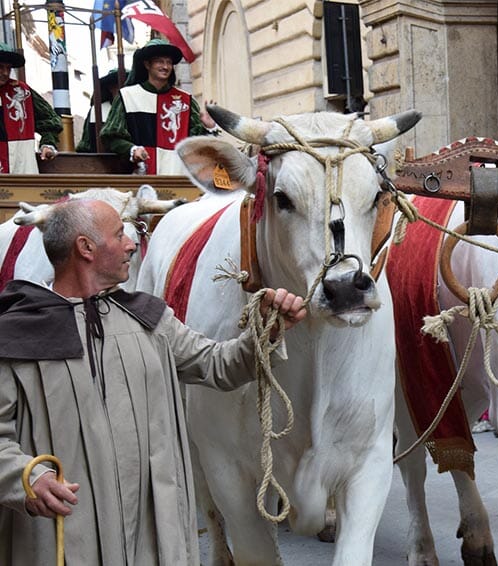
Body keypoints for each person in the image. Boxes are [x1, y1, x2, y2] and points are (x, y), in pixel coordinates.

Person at [0, 199, 307, 565]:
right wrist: (26, 478)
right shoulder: (15, 336)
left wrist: (266, 332)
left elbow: (218, 365)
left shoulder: (149, 319)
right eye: (119, 235)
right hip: (64, 534)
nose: (132, 243)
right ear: (85, 248)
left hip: (149, 531)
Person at [101, 39, 218, 174]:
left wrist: (209, 127)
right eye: (159, 61)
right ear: (147, 64)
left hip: (179, 179)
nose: (165, 66)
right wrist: (132, 149)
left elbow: (197, 144)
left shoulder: (185, 100)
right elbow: (110, 136)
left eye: (168, 62)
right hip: (141, 178)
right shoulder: (127, 96)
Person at [0, 42, 61, 173]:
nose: (5, 73)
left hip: (19, 165)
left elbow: (50, 121)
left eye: (8, 68)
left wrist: (48, 144)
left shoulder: (21, 91)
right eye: (0, 67)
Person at [76, 68, 124, 153]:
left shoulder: (134, 108)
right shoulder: (98, 110)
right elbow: (88, 144)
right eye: (118, 86)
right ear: (110, 88)